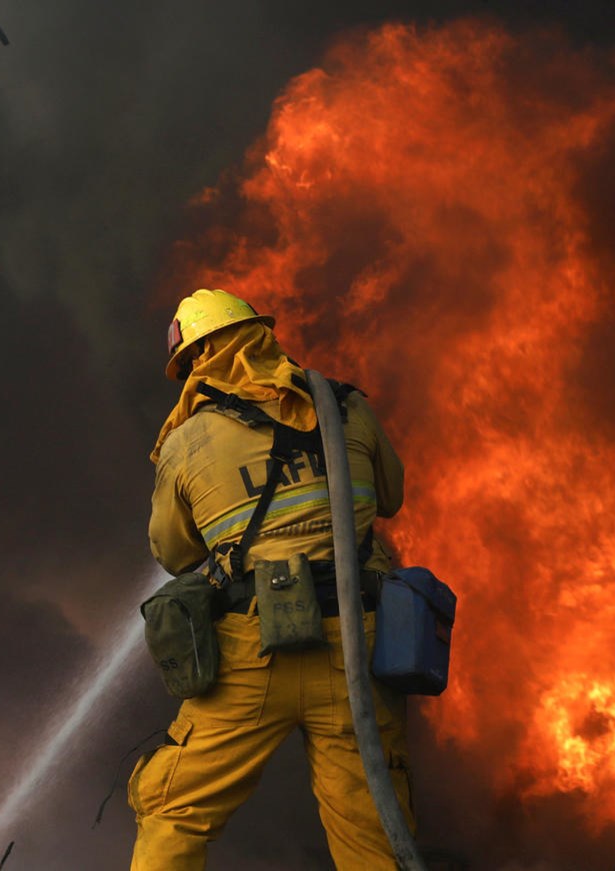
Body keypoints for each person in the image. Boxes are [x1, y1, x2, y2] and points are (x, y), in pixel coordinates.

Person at [131, 288, 414, 870]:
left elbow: (173, 552)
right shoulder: (346, 408)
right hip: (355, 652)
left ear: (196, 363)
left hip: (250, 655)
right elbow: (391, 496)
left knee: (175, 812)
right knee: (372, 829)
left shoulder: (186, 441)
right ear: (260, 335)